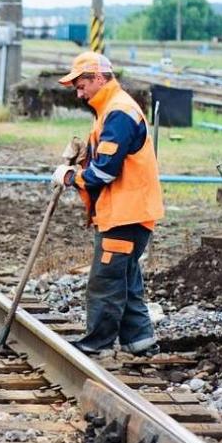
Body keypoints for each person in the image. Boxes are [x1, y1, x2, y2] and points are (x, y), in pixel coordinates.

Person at [52, 52, 164, 357]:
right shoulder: (110, 110)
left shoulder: (119, 112)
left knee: (105, 281)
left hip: (125, 215)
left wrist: (70, 176)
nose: (79, 93)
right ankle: (140, 342)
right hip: (127, 213)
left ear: (98, 78)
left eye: (81, 85)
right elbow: (103, 158)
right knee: (125, 279)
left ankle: (95, 345)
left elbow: (104, 172)